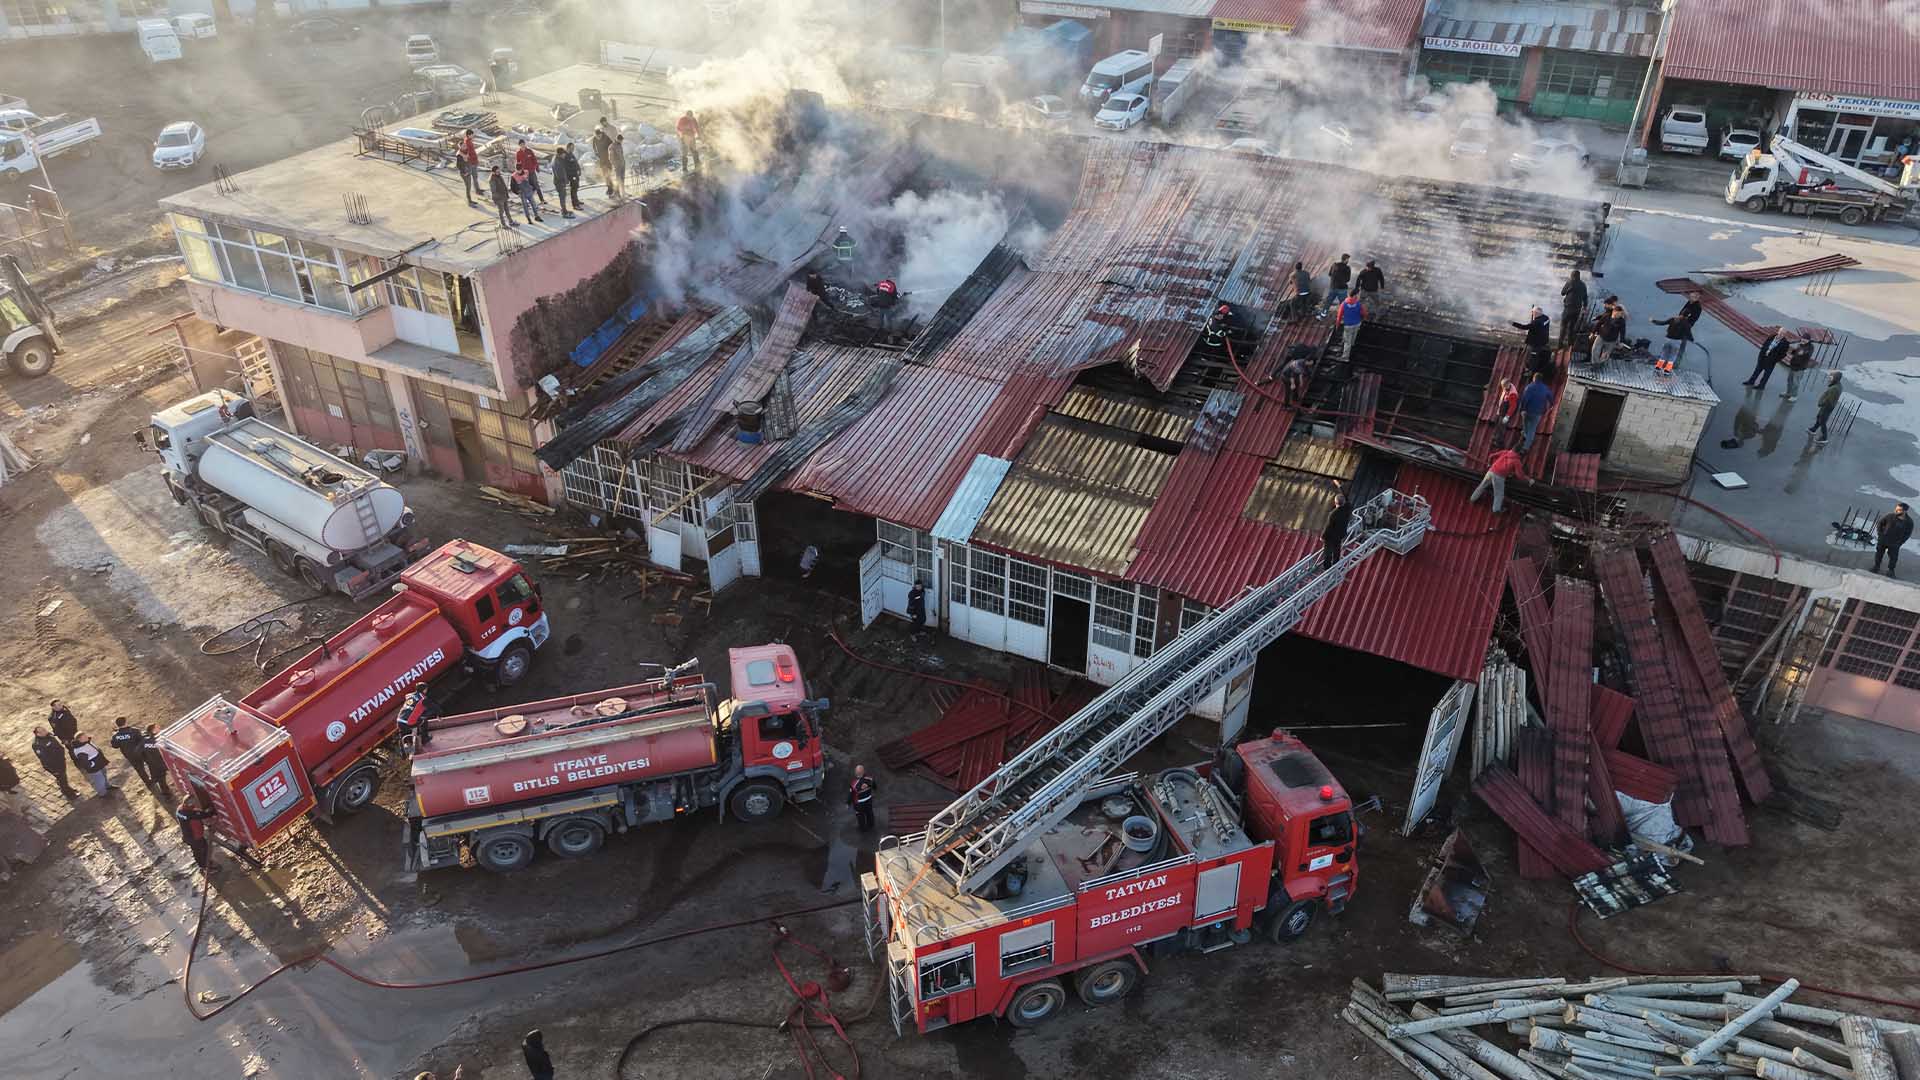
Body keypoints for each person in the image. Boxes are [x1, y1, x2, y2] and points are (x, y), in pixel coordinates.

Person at [110, 717, 163, 790]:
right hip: (141, 752)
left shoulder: (116, 736)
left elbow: (115, 746)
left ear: (117, 725)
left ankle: (148, 782)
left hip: (130, 755)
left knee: (139, 769)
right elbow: (142, 740)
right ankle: (155, 778)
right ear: (125, 722)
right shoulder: (134, 731)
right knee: (150, 763)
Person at [1470, 447, 1524, 514]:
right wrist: (1526, 478)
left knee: (1482, 486)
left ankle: (1473, 499)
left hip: (1491, 471)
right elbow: (1519, 475)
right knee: (1499, 493)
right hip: (1499, 476)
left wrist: (1489, 464)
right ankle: (1496, 509)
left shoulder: (1505, 452)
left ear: (1513, 449)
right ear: (1519, 453)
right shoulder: (1516, 461)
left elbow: (1491, 455)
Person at [31, 725, 78, 797]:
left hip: (60, 761)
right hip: (54, 765)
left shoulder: (48, 735)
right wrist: (54, 769)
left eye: (44, 729)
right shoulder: (37, 744)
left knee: (62, 777)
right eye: (42, 731)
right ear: (38, 734)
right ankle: (69, 794)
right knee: (62, 779)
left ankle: (66, 788)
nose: (45, 731)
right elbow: (45, 759)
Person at [176, 795, 218, 872]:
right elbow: (203, 815)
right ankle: (205, 867)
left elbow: (197, 813)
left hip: (189, 836)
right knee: (203, 850)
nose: (193, 803)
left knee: (199, 850)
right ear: (187, 804)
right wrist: (212, 812)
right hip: (194, 837)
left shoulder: (180, 810)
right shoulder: (190, 814)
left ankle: (204, 864)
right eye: (191, 802)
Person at [1873, 502, 1913, 578]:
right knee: (1879, 553)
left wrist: (1900, 542)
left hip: (1895, 543)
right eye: (1896, 509)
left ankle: (1891, 571)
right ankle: (1876, 567)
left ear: (1904, 511)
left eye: (1899, 509)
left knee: (1893, 557)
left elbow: (1907, 534)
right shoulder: (1890, 516)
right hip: (1883, 540)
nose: (1896, 510)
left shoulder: (1909, 522)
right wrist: (1880, 535)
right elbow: (1880, 523)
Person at [1519, 371, 1554, 452]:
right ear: (1541, 380)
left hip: (1527, 410)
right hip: (1538, 412)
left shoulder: (1529, 387)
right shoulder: (1545, 388)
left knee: (1525, 422)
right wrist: (1551, 405)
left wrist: (1522, 409)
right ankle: (1525, 448)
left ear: (1534, 378)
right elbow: (1551, 398)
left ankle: (1524, 435)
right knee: (1532, 429)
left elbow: (1524, 399)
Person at [1320, 487, 1353, 570]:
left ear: (1335, 503)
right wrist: (1340, 486)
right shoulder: (1348, 508)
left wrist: (1323, 536)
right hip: (1341, 534)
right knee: (1337, 550)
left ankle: (1327, 567)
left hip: (1331, 536)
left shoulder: (1333, 514)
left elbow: (1328, 526)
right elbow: (1346, 497)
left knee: (1328, 551)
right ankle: (1336, 564)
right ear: (1344, 502)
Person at [69, 733, 110, 798]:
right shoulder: (79, 750)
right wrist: (93, 764)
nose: (87, 737)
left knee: (104, 775)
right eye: (84, 737)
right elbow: (85, 763)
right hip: (94, 768)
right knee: (99, 780)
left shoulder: (85, 742)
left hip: (99, 763)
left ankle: (107, 786)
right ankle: (103, 794)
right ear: (80, 739)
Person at [140, 724, 173, 799]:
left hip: (153, 764)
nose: (160, 728)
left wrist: (147, 760)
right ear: (153, 730)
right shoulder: (161, 740)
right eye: (157, 727)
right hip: (164, 763)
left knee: (161, 780)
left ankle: (166, 794)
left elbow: (139, 752)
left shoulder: (145, 741)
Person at [1808, 370, 1842, 442]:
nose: (1830, 378)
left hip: (1827, 406)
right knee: (1819, 416)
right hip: (1827, 406)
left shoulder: (1834, 388)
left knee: (1822, 421)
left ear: (1836, 378)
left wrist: (1821, 403)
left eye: (1832, 377)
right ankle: (1814, 429)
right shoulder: (1837, 385)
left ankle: (1824, 438)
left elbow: (1828, 400)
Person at [514, 140, 548, 208]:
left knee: (536, 185)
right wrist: (518, 171)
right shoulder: (518, 153)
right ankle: (529, 201)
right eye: (521, 144)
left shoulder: (529, 151)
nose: (522, 145)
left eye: (523, 144)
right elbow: (518, 163)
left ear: (525, 144)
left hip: (531, 171)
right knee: (527, 187)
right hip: (524, 173)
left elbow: (534, 160)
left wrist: (537, 167)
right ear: (519, 145)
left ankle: (542, 199)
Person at [1558, 269, 1588, 347]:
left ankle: (1560, 343)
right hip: (1577, 309)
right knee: (1572, 327)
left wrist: (1569, 290)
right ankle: (1570, 344)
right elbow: (1585, 297)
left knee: (1563, 326)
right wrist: (1585, 307)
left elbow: (1562, 293)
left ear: (1572, 276)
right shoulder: (1583, 285)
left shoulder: (1569, 282)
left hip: (1568, 308)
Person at [552, 143, 582, 218]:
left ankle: (564, 209)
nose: (564, 155)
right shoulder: (557, 162)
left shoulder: (560, 159)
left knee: (564, 196)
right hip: (560, 182)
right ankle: (564, 212)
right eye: (563, 154)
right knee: (562, 196)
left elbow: (574, 163)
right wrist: (565, 181)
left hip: (563, 181)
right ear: (560, 154)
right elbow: (560, 174)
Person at [1319, 254, 1352, 318]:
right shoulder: (1347, 268)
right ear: (1346, 260)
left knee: (1328, 302)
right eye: (1348, 259)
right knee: (1344, 304)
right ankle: (1345, 316)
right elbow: (1348, 279)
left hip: (1333, 287)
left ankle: (1323, 315)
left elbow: (1330, 274)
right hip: (1342, 289)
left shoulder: (1334, 265)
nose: (1348, 261)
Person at [1336, 290, 1365, 359]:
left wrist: (1337, 325)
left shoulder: (1344, 304)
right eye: (1357, 295)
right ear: (1354, 295)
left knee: (1347, 342)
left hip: (1348, 326)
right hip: (1357, 324)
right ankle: (1350, 351)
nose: (1358, 296)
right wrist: (1362, 318)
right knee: (1352, 339)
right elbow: (1363, 313)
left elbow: (1339, 316)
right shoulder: (1358, 304)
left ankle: (1345, 357)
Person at [848, 764, 877, 831]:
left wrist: (848, 803)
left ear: (856, 773)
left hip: (859, 804)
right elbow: (874, 786)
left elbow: (851, 795)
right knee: (869, 813)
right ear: (864, 772)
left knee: (860, 816)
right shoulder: (870, 779)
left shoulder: (854, 784)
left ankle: (862, 828)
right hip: (869, 801)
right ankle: (871, 824)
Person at [590, 119, 615, 196]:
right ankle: (609, 188)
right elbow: (594, 147)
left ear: (601, 134)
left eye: (599, 136)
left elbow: (612, 146)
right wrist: (596, 153)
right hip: (602, 159)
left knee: (609, 174)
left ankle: (612, 188)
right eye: (597, 136)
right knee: (605, 175)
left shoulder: (606, 138)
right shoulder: (595, 139)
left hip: (608, 159)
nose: (598, 137)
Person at [457, 129, 480, 206]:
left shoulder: (465, 150)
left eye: (465, 145)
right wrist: (465, 172)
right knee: (468, 187)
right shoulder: (460, 155)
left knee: (469, 186)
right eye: (463, 146)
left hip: (468, 170)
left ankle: (470, 200)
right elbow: (459, 165)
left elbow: (469, 154)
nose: (465, 146)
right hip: (464, 173)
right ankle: (469, 201)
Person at [610, 133, 628, 199]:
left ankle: (622, 192)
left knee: (622, 179)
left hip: (622, 164)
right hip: (617, 166)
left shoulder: (620, 145)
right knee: (618, 179)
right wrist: (615, 165)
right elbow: (611, 158)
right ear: (617, 139)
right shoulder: (612, 146)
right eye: (620, 140)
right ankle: (616, 193)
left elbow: (622, 155)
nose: (621, 142)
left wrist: (623, 163)